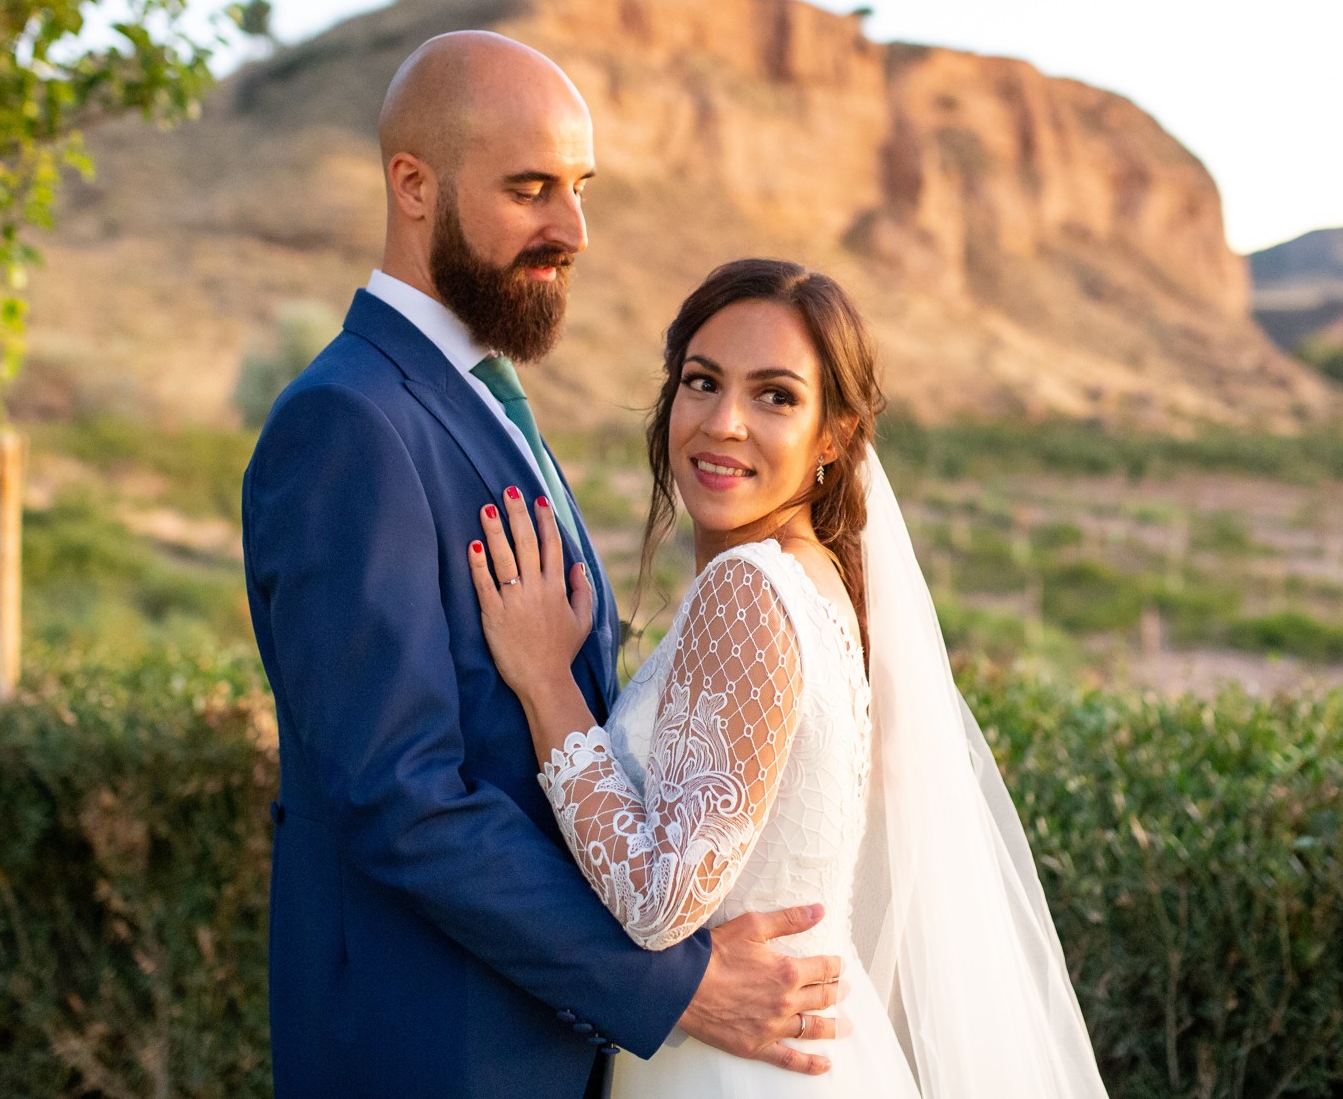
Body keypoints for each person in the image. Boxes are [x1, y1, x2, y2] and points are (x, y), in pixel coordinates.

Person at [242, 34, 840, 1099]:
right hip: (431, 1049)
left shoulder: (483, 394)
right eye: (529, 190)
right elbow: (397, 796)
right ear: (413, 185)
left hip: (542, 1044)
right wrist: (672, 987)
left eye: (577, 188)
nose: (570, 229)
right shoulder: (348, 422)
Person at [469, 258, 1111, 1096]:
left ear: (834, 437)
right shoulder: (816, 582)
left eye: (775, 395)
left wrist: (545, 682)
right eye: (702, 382)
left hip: (735, 1069)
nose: (724, 421)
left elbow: (661, 900)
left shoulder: (750, 588)